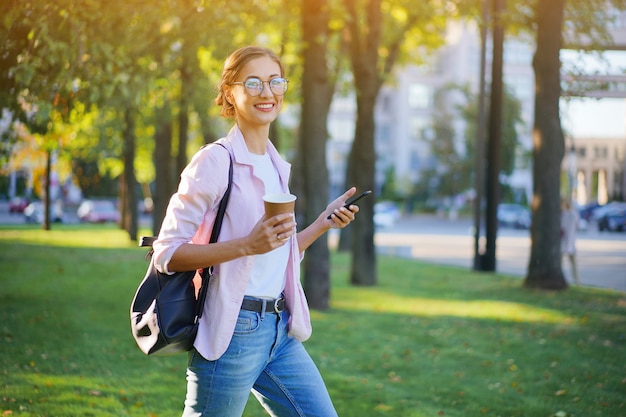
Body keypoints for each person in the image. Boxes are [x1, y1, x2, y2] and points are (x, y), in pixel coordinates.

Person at [152, 45, 361, 417]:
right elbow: (167, 253)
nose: (267, 92)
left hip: (279, 330)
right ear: (230, 92)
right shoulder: (216, 160)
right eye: (253, 83)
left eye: (275, 81)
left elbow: (274, 253)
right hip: (234, 331)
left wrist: (321, 223)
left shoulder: (277, 165)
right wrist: (246, 245)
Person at [561, 198, 580, 285]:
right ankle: (576, 281)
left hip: (567, 242)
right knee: (570, 264)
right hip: (566, 242)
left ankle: (577, 281)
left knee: (573, 263)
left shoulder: (569, 214)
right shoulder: (572, 214)